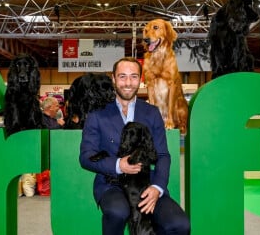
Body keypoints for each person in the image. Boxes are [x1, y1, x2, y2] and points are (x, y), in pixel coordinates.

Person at [79, 57, 190, 235]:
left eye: (134, 76)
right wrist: (118, 165)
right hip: (111, 184)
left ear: (141, 80)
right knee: (117, 212)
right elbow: (86, 156)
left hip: (146, 184)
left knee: (179, 224)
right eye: (122, 77)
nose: (128, 83)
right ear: (113, 79)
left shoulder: (151, 113)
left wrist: (158, 188)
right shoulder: (97, 114)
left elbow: (163, 155)